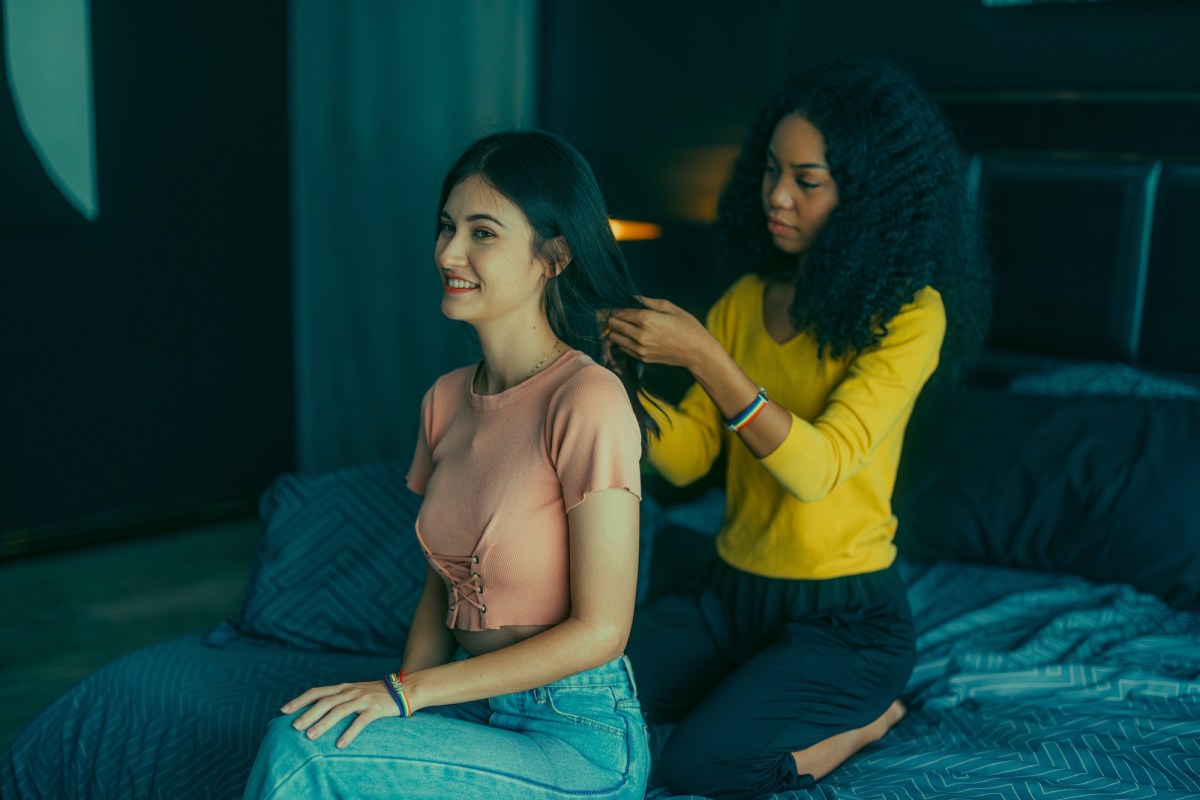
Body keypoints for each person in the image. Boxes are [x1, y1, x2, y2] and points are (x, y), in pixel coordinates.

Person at [607, 55, 992, 800]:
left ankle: (868, 722)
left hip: (846, 618)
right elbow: (686, 461)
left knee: (699, 765)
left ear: (867, 194)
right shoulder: (744, 300)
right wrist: (613, 379)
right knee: (584, 696)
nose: (776, 196)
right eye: (770, 170)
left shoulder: (912, 315)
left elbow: (818, 468)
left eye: (807, 180)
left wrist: (708, 361)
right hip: (727, 596)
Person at [242, 130, 657, 800]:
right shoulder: (443, 400)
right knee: (317, 725)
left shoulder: (587, 398)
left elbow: (603, 631)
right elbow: (440, 589)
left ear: (554, 255)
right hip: (475, 705)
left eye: (482, 232)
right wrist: (397, 702)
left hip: (574, 734)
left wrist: (407, 696)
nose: (448, 252)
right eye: (445, 227)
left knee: (305, 756)